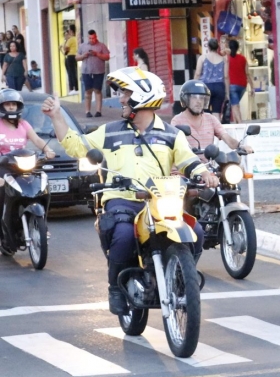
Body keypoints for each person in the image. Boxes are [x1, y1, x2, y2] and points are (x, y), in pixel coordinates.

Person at [41, 69, 218, 315]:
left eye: (125, 93)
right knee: (123, 235)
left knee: (196, 232)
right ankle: (115, 287)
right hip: (122, 201)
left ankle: (180, 274)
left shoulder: (171, 134)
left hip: (160, 202)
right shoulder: (110, 130)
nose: (121, 99)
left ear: (143, 97)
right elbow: (76, 146)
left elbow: (189, 160)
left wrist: (205, 174)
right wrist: (56, 116)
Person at [0, 88, 55, 251]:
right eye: (8, 104)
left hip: (22, 166)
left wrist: (47, 150)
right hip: (3, 166)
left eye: (14, 105)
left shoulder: (24, 124)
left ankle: (41, 223)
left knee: (40, 187)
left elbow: (36, 139)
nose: (11, 107)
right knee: (2, 189)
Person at [171, 80, 253, 154]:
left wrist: (240, 146)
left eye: (202, 98)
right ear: (185, 99)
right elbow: (173, 146)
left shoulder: (210, 119)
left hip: (209, 166)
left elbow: (227, 138)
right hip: (187, 168)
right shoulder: (177, 121)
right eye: (194, 97)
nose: (199, 101)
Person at [77, 30, 111, 118]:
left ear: (96, 37)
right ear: (88, 37)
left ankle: (98, 111)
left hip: (99, 71)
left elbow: (107, 57)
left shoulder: (102, 46)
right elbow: (76, 57)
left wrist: (97, 54)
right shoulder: (82, 46)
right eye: (90, 38)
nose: (92, 40)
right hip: (86, 71)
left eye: (94, 38)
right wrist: (83, 56)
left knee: (97, 90)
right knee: (88, 91)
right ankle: (87, 111)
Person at [195, 39, 227, 116]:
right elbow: (226, 76)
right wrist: (227, 92)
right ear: (217, 47)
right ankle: (217, 128)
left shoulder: (202, 58)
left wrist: (194, 86)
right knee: (217, 113)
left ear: (208, 47)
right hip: (219, 87)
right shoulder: (223, 59)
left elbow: (198, 73)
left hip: (205, 87)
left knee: (205, 113)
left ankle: (207, 128)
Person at [227, 40, 250, 124]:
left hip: (232, 85)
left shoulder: (227, 59)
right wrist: (252, 87)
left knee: (235, 105)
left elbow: (225, 74)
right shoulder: (243, 58)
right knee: (234, 103)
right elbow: (247, 72)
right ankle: (236, 123)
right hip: (243, 85)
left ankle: (240, 123)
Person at [62, 26, 79, 94]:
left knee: (71, 73)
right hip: (74, 56)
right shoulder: (75, 39)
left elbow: (66, 48)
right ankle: (75, 87)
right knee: (73, 72)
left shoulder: (71, 39)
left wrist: (65, 41)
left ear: (71, 31)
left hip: (70, 56)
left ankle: (73, 88)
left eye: (68, 31)